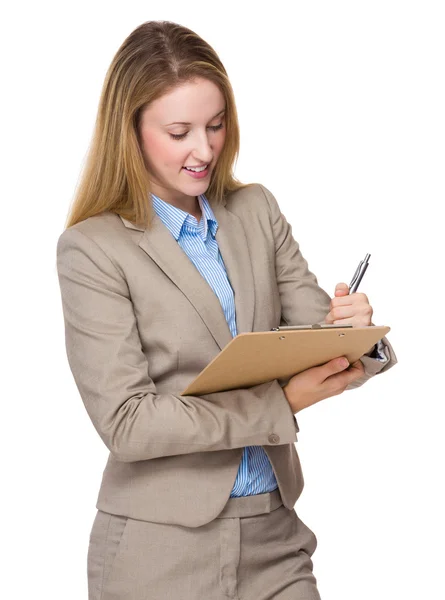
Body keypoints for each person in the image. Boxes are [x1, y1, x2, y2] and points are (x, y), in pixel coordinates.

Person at [56, 20, 397, 600]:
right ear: (131, 132)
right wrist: (279, 403)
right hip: (156, 550)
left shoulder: (255, 210)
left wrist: (357, 335)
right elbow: (129, 424)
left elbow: (321, 343)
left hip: (273, 533)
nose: (205, 149)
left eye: (215, 126)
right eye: (180, 131)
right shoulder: (93, 248)